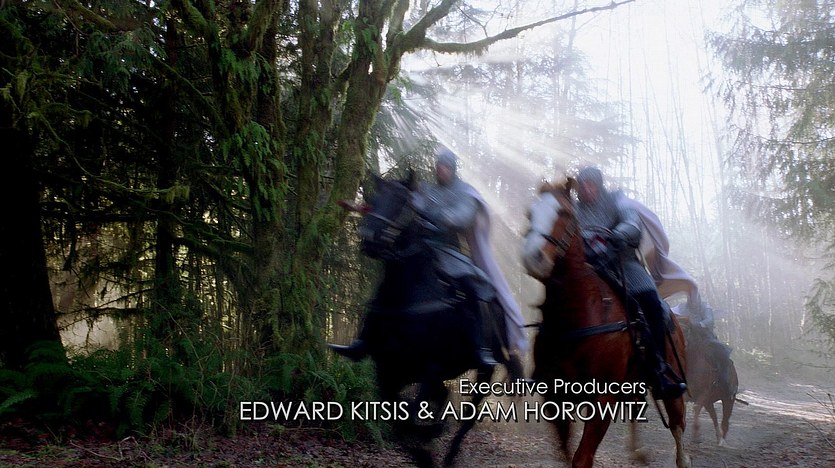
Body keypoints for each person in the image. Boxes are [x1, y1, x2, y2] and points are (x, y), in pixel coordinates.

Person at [330, 146, 529, 374]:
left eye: (444, 167)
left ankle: (480, 347)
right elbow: (398, 207)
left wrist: (436, 214)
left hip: (450, 252)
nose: (440, 170)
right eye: (438, 166)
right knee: (389, 283)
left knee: (471, 287)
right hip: (420, 250)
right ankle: (363, 341)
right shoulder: (426, 190)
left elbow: (462, 217)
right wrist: (363, 208)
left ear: (452, 168)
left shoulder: (465, 192)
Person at [574, 166, 686, 399]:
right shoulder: (574, 209)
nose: (586, 189)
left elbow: (632, 223)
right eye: (582, 185)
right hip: (588, 268)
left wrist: (620, 235)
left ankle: (659, 370)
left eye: (590, 184)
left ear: (599, 185)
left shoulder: (617, 200)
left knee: (651, 303)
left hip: (622, 263)